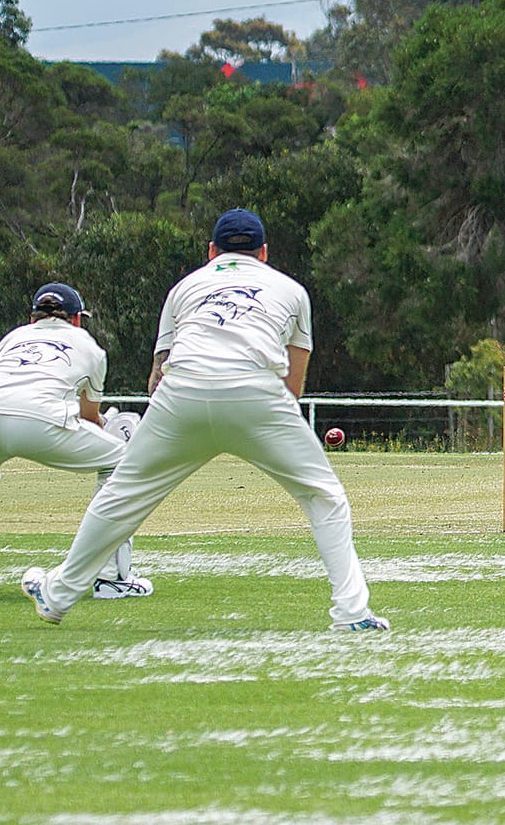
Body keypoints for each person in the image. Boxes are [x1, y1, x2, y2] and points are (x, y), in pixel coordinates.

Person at [20, 209, 388, 632]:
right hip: (256, 393)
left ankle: (58, 596)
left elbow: (157, 377)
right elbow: (293, 385)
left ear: (212, 251)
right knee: (324, 496)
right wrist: (260, 429)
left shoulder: (184, 287)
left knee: (122, 495)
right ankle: (352, 613)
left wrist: (178, 428)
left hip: (183, 392)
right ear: (264, 252)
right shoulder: (292, 290)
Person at [0, 283, 149, 598]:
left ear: (33, 318)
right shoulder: (90, 347)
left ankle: (109, 577)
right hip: (41, 421)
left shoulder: (12, 337)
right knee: (122, 461)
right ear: (77, 319)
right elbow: (89, 416)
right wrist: (108, 423)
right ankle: (110, 578)